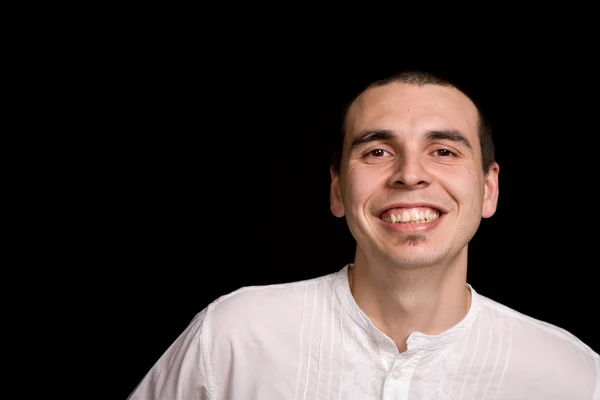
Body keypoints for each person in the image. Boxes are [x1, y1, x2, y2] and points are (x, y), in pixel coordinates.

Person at [129, 70, 600, 399]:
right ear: (338, 190)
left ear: (489, 188)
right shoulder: (232, 336)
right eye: (377, 151)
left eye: (443, 151)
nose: (410, 175)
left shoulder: (573, 375)